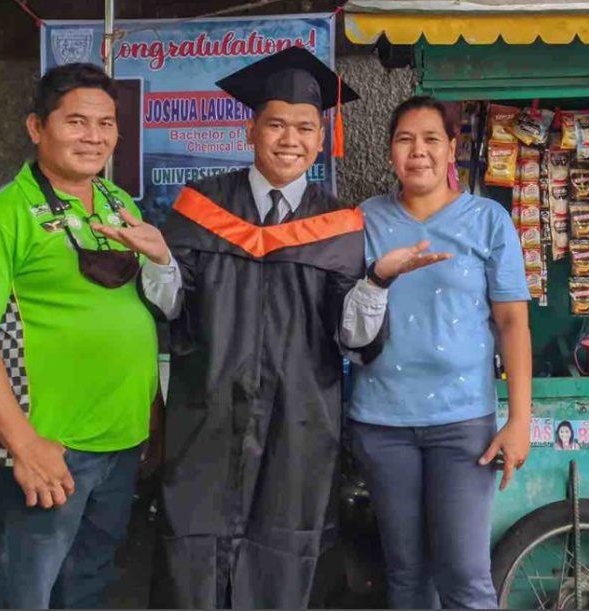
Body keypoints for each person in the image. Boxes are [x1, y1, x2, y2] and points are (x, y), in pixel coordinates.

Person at [95, 47, 447, 609]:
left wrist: (377, 281)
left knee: (285, 554)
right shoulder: (200, 207)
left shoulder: (338, 226)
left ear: (321, 136)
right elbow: (169, 309)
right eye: (276, 124)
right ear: (250, 129)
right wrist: (160, 259)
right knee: (195, 551)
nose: (290, 139)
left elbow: (352, 339)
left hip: (298, 426)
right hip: (208, 417)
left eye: (305, 127)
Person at [0, 62, 163, 608]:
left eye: (106, 124)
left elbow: (132, 312)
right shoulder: (1, 216)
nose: (93, 137)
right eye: (77, 122)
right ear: (37, 128)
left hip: (119, 443)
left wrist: (152, 419)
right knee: (23, 594)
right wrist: (25, 445)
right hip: (46, 449)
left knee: (89, 587)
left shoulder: (118, 205)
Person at [348, 96, 533, 610]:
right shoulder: (363, 220)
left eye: (431, 139)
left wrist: (520, 419)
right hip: (381, 421)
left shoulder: (488, 221)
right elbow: (343, 315)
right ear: (389, 152)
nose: (418, 151)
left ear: (453, 147)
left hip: (462, 423)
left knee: (464, 575)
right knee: (406, 577)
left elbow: (512, 322)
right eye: (405, 139)